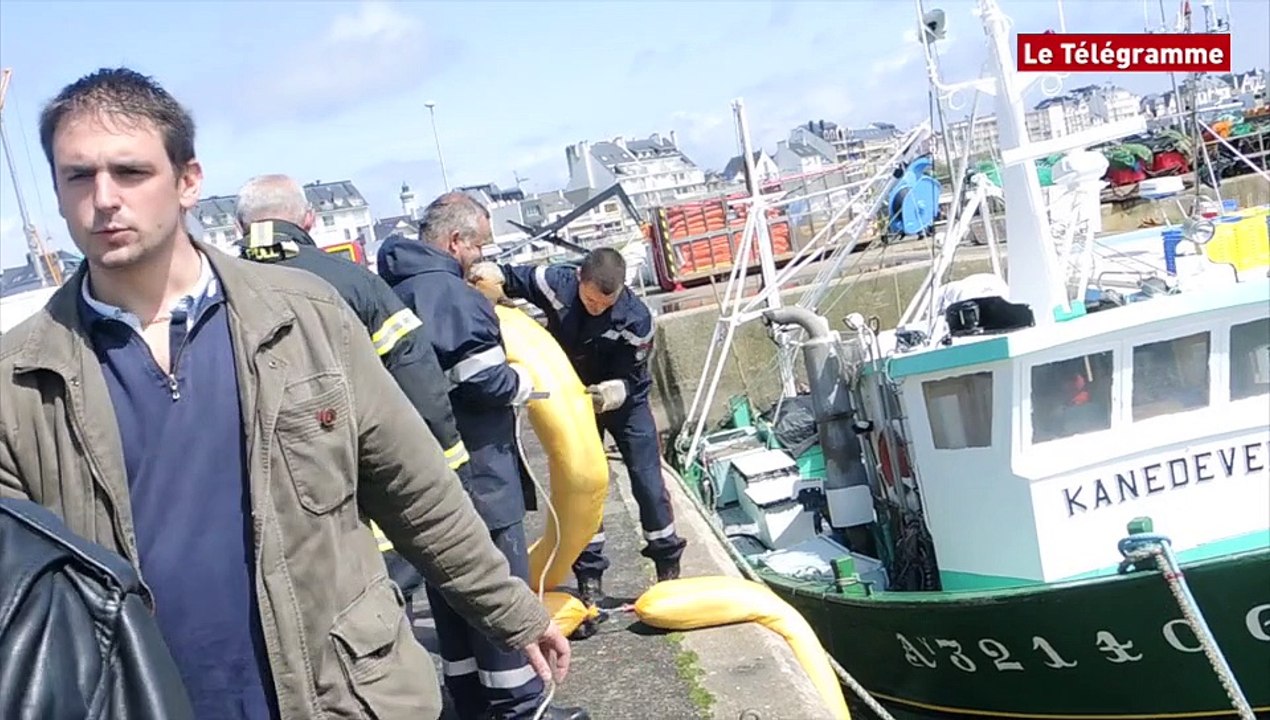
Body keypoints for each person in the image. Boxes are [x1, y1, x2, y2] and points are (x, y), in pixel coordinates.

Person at [0, 66, 568, 720]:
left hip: (339, 696)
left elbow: (415, 488)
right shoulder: (18, 383)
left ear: (188, 181)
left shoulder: (308, 318)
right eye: (78, 176)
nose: (104, 199)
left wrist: (510, 609)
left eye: (130, 172)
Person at [378, 192, 590, 720]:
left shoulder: (388, 292)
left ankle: (469, 701)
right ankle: (520, 704)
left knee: (449, 591)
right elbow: (482, 380)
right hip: (480, 471)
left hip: (423, 477)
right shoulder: (455, 297)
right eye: (480, 247)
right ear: (456, 242)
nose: (482, 259)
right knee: (498, 587)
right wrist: (522, 382)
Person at [232, 173, 469, 620]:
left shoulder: (215, 293)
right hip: (357, 490)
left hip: (263, 513)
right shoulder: (353, 283)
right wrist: (450, 460)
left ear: (240, 227)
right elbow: (416, 377)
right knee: (381, 613)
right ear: (309, 220)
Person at [468, 247, 686, 605]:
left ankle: (667, 564)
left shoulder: (637, 320)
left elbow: (634, 376)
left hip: (624, 403)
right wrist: (490, 276)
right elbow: (514, 275)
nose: (597, 308)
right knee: (583, 483)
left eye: (606, 303)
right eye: (590, 300)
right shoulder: (556, 284)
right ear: (579, 280)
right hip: (574, 396)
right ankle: (589, 576)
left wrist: (616, 392)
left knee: (648, 481)